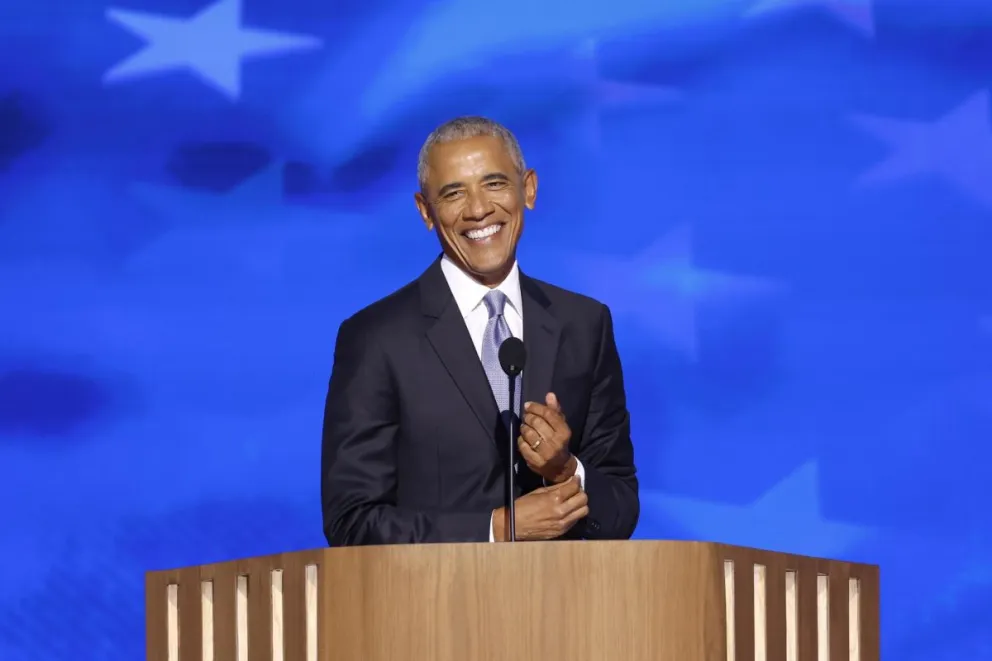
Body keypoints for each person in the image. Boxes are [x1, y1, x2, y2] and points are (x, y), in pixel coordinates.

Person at [321, 116, 638, 545]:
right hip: (431, 607)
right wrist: (496, 529)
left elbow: (620, 511)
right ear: (425, 211)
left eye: (493, 184)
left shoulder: (584, 324)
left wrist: (564, 470)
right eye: (453, 193)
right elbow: (352, 524)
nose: (477, 210)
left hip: (563, 605)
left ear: (528, 189)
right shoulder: (376, 338)